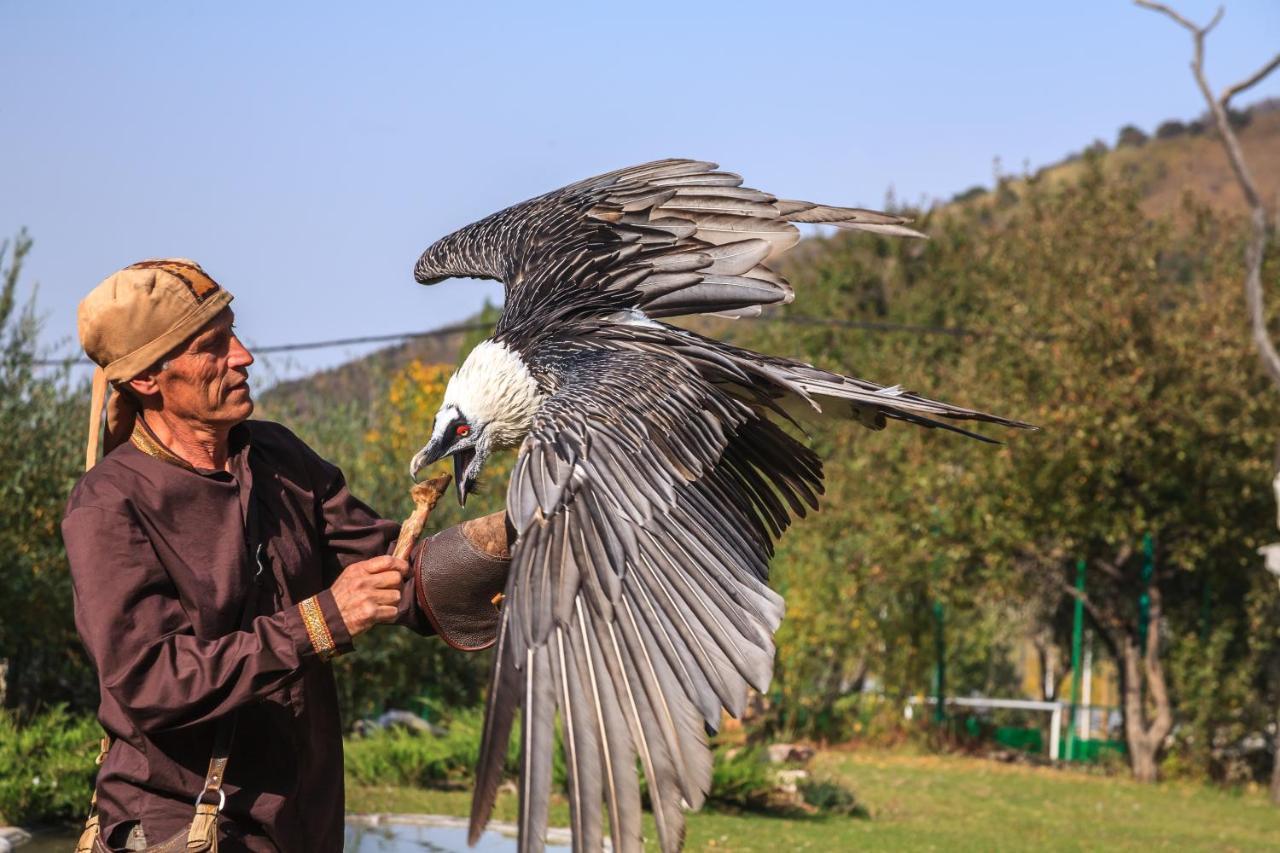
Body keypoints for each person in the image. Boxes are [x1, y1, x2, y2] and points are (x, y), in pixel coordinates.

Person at [63, 259, 511, 852]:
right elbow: (149, 681)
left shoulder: (279, 458)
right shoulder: (109, 503)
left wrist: (519, 539)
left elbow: (398, 577)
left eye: (235, 333)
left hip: (304, 825)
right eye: (213, 346)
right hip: (184, 829)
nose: (244, 356)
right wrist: (323, 621)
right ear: (148, 379)